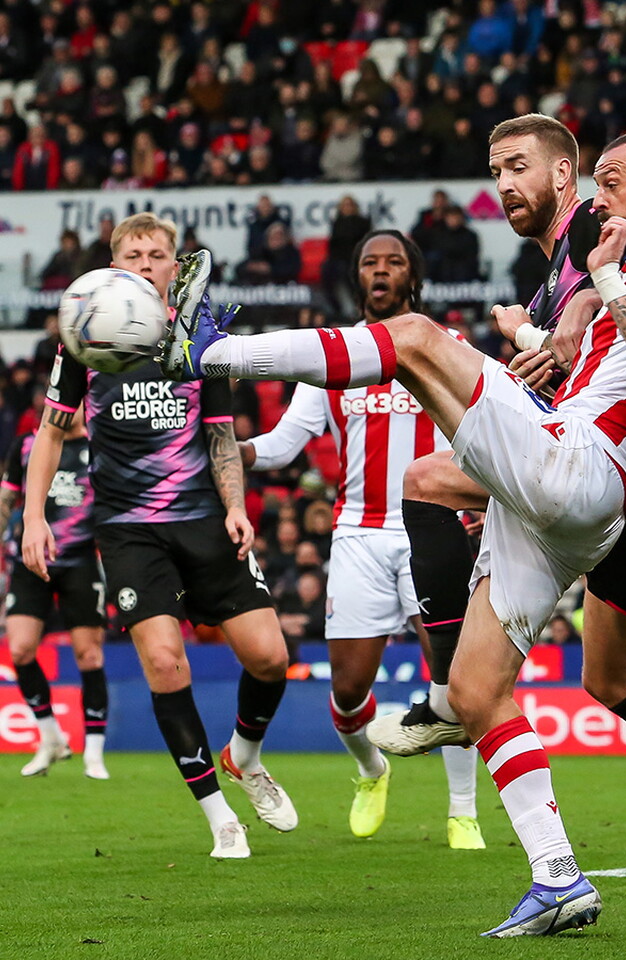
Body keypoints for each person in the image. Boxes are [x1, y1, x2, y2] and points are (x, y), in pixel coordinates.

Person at [158, 126, 626, 935]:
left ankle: (213, 355)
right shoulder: (606, 270)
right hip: (560, 493)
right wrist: (548, 333)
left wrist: (604, 282)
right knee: (481, 694)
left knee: (412, 340)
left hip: (585, 467)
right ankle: (558, 878)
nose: (595, 198)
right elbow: (594, 343)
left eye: (608, 180)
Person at [23, 212, 296, 859]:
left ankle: (246, 757)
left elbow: (220, 432)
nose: (146, 262)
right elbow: (52, 432)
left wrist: (235, 505)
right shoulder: (82, 340)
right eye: (133, 253)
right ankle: (218, 818)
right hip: (126, 528)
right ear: (113, 266)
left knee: (269, 657)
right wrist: (34, 516)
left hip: (203, 516)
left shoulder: (201, 333)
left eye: (156, 254)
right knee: (165, 661)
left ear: (176, 267)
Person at [239, 229, 483, 849]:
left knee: (455, 680)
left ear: (412, 275)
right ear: (358, 278)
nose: (381, 271)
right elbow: (285, 443)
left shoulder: (448, 347)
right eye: (370, 262)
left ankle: (463, 813)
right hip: (359, 536)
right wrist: (234, 450)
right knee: (348, 691)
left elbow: (486, 431)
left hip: (434, 529)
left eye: (393, 262)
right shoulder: (334, 356)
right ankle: (372, 771)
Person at [2, 409, 109, 779]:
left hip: (80, 560)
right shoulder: (28, 444)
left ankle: (93, 753)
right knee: (19, 649)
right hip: (30, 559)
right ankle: (50, 737)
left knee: (89, 655)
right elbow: (7, 497)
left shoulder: (100, 445)